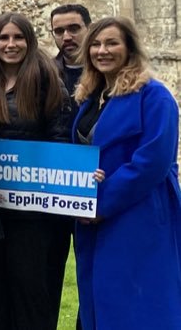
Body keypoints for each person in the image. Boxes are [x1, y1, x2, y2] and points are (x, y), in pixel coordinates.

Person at [71, 16, 181, 329]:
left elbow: (153, 161)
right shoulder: (91, 99)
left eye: (111, 43)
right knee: (100, 302)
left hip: (139, 215)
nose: (101, 50)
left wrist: (102, 203)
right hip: (94, 220)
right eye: (95, 44)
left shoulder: (154, 96)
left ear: (130, 49)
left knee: (140, 304)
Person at [0, 13, 73, 330]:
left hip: (35, 215)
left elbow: (61, 141)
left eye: (18, 37)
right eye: (3, 38)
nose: (11, 44)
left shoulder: (48, 82)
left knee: (32, 298)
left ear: (29, 42)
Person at [49, 4, 91, 94]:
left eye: (74, 29)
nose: (66, 37)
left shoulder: (108, 73)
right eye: (59, 31)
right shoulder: (45, 75)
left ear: (90, 29)